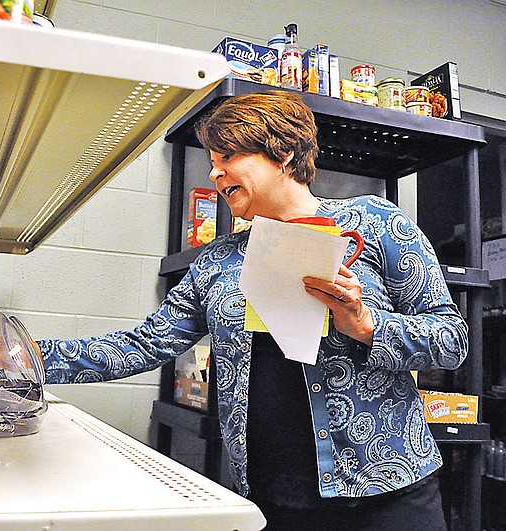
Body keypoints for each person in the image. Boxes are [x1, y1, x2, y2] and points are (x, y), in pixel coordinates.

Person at [36, 90, 467, 530]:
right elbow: (142, 344)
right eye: (212, 159)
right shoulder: (217, 260)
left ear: (282, 153)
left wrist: (367, 324)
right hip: (271, 498)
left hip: (389, 491)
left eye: (227, 155)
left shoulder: (376, 223)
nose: (214, 171)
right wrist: (26, 359)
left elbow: (451, 340)